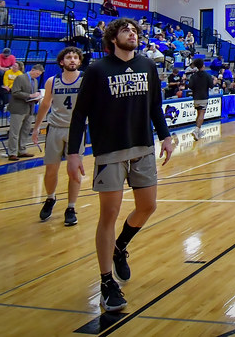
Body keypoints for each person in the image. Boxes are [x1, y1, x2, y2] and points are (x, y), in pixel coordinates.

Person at [66, 18, 174, 313]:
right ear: (113, 38)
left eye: (135, 31)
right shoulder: (98, 70)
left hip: (142, 147)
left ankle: (119, 246)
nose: (132, 33)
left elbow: (155, 106)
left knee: (147, 206)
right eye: (126, 30)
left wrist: (165, 136)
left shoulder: (148, 66)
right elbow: (79, 115)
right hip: (109, 151)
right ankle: (105, 283)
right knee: (109, 215)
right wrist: (73, 153)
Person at [33, 47, 84, 226]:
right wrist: (36, 127)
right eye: (69, 57)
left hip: (76, 130)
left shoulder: (85, 80)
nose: (72, 60)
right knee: (51, 170)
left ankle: (71, 207)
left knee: (74, 172)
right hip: (55, 128)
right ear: (62, 62)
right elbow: (45, 104)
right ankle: (50, 198)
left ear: (79, 62)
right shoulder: (52, 81)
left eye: (75, 57)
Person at [7, 64, 43, 161]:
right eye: (36, 73)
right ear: (32, 70)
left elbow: (33, 94)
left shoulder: (35, 81)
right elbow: (15, 92)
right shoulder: (20, 78)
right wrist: (30, 95)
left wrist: (37, 98)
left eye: (39, 75)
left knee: (25, 131)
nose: (37, 76)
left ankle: (22, 150)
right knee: (15, 132)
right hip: (18, 108)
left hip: (29, 109)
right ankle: (12, 153)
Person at [188, 58, 214, 138]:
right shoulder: (207, 75)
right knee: (202, 114)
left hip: (195, 97)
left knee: (199, 114)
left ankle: (199, 131)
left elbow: (190, 86)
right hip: (203, 97)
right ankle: (196, 129)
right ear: (203, 65)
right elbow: (211, 86)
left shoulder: (193, 76)